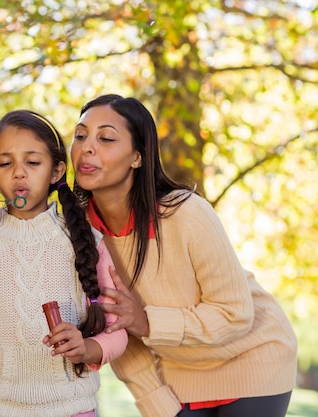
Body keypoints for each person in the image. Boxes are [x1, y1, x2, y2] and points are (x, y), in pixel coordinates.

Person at [70, 94, 298, 417]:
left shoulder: (187, 214)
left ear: (137, 157)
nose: (87, 147)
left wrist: (147, 321)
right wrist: (155, 401)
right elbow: (118, 331)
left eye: (105, 138)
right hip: (177, 375)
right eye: (80, 135)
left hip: (252, 355)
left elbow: (235, 313)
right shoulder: (79, 234)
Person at [0, 109, 128, 417]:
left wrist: (87, 349)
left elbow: (118, 331)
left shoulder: (86, 241)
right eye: (5, 163)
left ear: (56, 171)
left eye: (32, 162)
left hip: (72, 410)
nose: (19, 172)